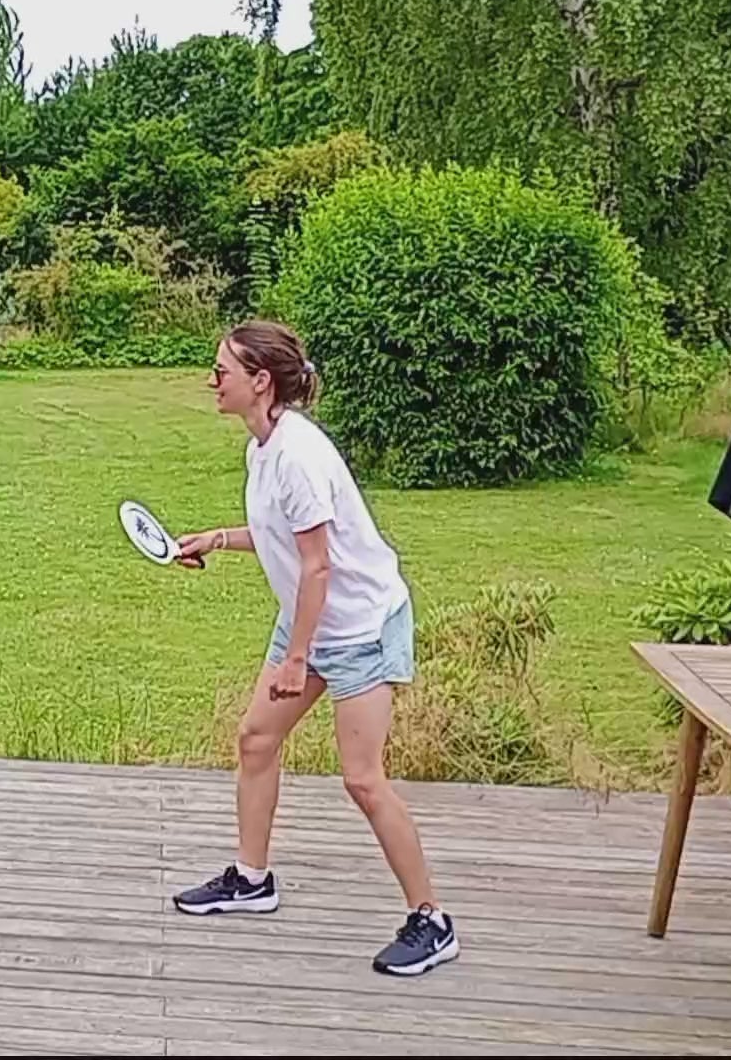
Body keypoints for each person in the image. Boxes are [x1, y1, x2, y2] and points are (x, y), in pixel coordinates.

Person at [170, 319, 458, 977]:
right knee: (256, 740)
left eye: (221, 371)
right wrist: (217, 539)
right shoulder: (263, 446)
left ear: (260, 382)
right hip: (310, 618)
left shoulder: (299, 455)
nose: (212, 381)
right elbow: (282, 535)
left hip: (359, 629)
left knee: (362, 779)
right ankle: (251, 879)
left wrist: (299, 658)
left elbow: (319, 564)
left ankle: (432, 921)